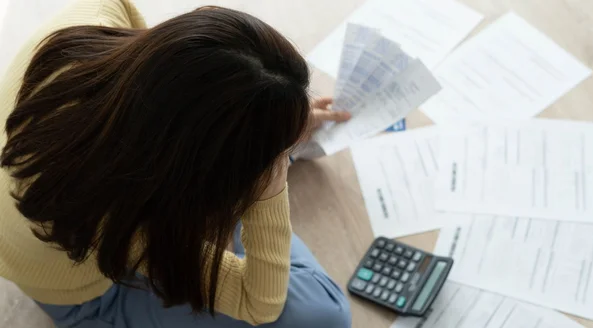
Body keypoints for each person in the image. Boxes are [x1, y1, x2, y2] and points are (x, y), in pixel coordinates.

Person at [0, 0, 352, 327]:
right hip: (84, 296)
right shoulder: (119, 221)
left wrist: (266, 118)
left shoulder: (92, 19)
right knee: (320, 314)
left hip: (56, 211)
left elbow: (172, 78)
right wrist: (271, 176)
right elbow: (260, 304)